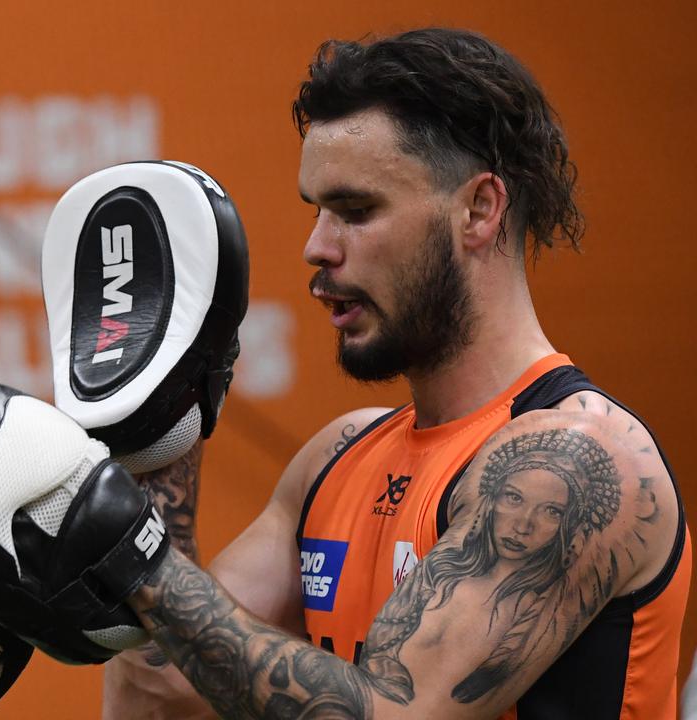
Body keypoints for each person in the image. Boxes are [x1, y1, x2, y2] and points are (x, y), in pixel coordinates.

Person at [96, 27, 691, 719]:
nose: (317, 247)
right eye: (317, 211)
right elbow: (165, 699)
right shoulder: (336, 458)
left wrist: (128, 556)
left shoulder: (576, 460)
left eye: (356, 211)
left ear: (479, 209)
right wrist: (156, 445)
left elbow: (391, 711)